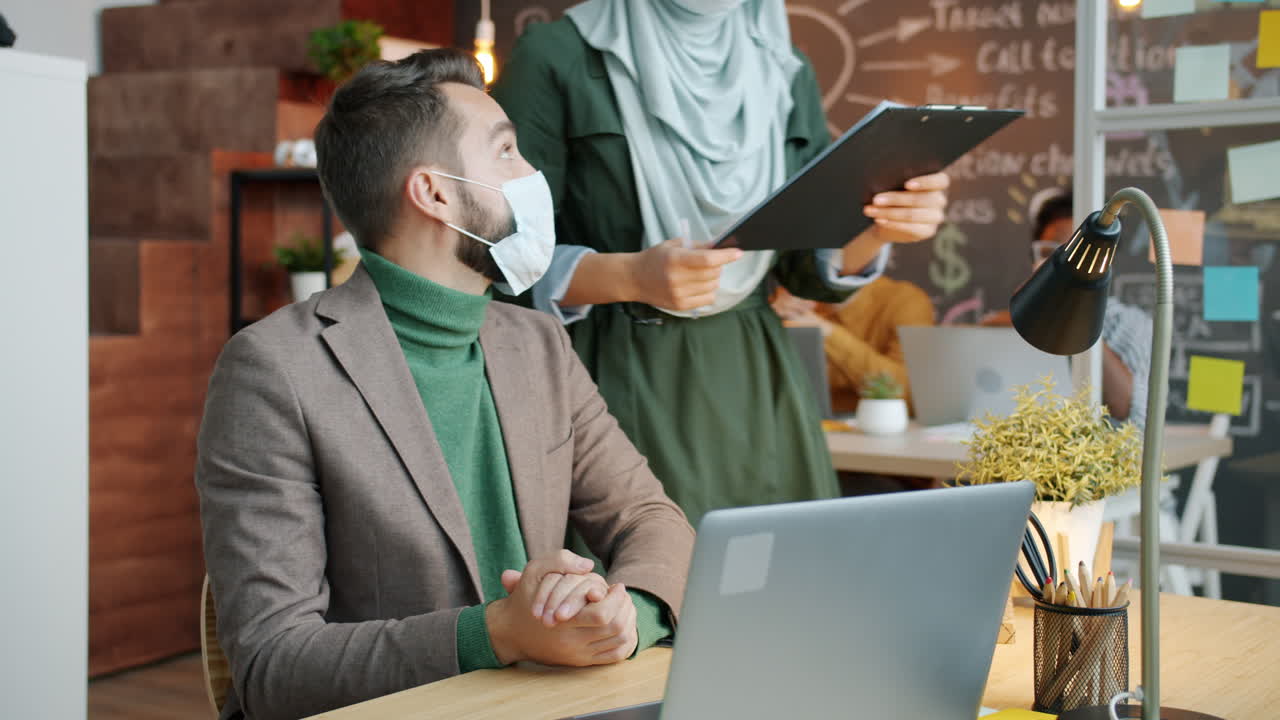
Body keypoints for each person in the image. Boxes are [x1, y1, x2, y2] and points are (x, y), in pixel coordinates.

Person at [195, 50, 694, 720]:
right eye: (509, 153)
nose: (534, 176)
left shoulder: (539, 343)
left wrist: (625, 615)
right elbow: (273, 665)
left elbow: (650, 518)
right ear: (433, 192)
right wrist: (494, 634)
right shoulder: (274, 369)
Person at [490, 0, 949, 524]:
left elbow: (802, 263)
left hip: (758, 379)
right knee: (638, 584)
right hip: (609, 374)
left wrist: (877, 225)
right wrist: (630, 277)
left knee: (776, 590)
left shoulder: (782, 63)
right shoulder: (557, 54)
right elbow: (497, 253)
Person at [986, 188, 1152, 427]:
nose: (1062, 262)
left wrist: (1075, 317)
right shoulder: (1016, 318)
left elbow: (1126, 408)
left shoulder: (1132, 325)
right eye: (1049, 251)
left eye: (1076, 251)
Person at [771, 279, 935, 415]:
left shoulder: (903, 300)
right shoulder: (786, 301)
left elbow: (909, 392)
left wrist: (826, 331)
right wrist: (766, 317)